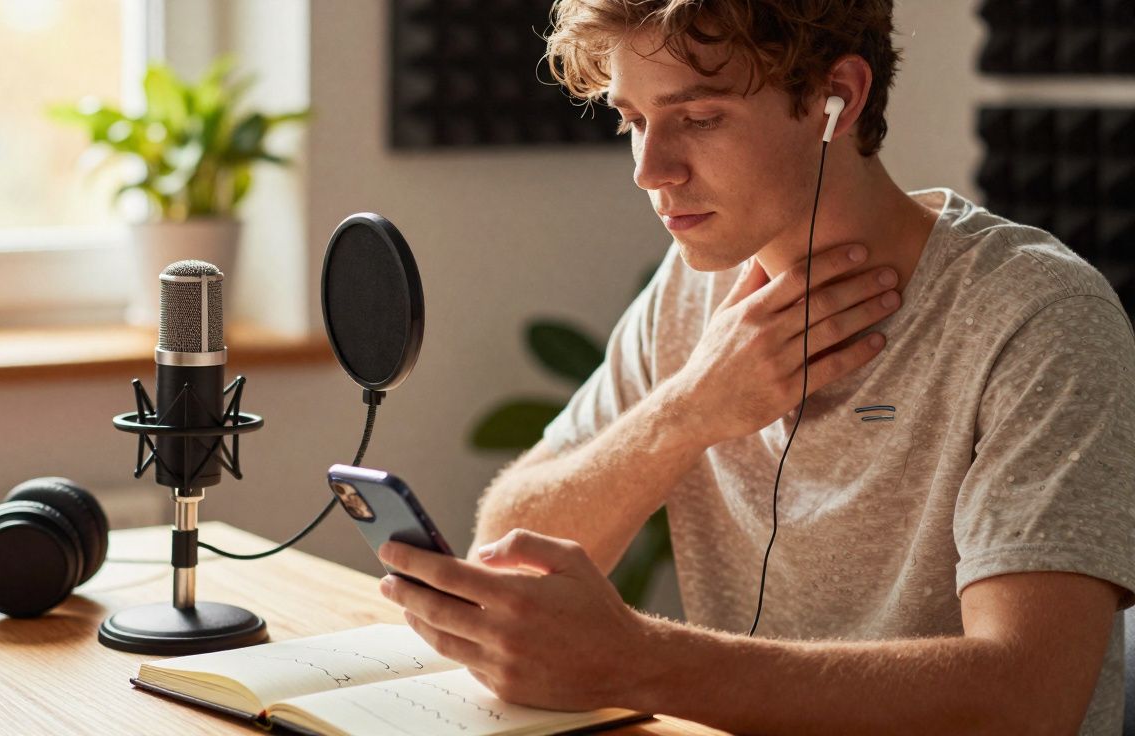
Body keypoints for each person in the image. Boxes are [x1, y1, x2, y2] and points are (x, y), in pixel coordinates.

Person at [376, 1, 1135, 732]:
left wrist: (641, 664)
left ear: (838, 96)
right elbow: (509, 554)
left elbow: (1027, 703)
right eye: (633, 121)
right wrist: (691, 410)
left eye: (699, 118)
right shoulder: (695, 283)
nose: (650, 169)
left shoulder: (1040, 315)